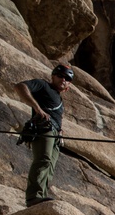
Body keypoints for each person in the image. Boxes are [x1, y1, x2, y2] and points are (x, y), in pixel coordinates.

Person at [14, 64, 74, 206]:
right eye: (60, 76)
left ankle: (41, 195)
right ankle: (34, 197)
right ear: (53, 76)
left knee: (50, 165)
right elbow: (20, 87)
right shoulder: (42, 85)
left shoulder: (59, 99)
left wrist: (60, 131)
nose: (63, 79)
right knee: (43, 159)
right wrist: (37, 108)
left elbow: (56, 115)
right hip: (43, 129)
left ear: (69, 84)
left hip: (55, 133)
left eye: (67, 78)